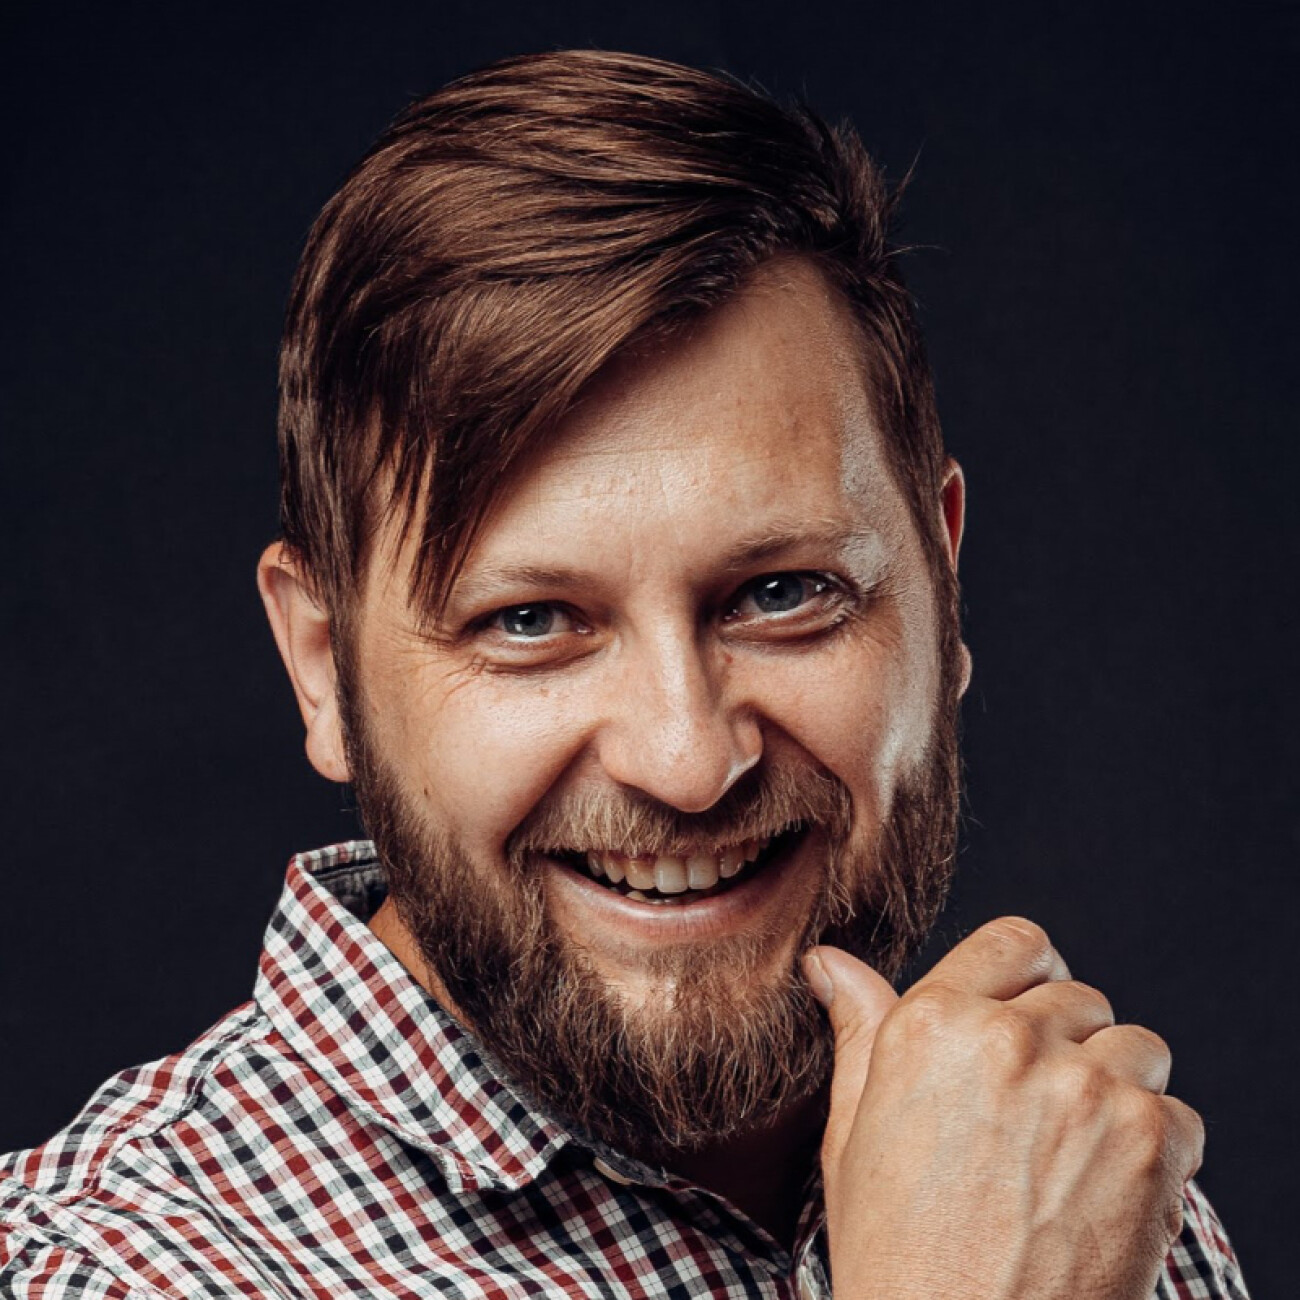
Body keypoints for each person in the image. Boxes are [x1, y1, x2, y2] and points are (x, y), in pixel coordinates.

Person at [0, 49, 1248, 1299]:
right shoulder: (102, 1270)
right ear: (323, 668)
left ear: (944, 587)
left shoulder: (1068, 1186)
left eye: (782, 594)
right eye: (531, 620)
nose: (688, 762)